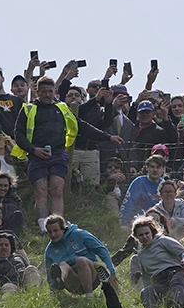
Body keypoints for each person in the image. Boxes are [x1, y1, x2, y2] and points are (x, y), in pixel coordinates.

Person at [13, 76, 122, 232]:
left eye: (50, 91)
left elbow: (81, 126)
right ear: (37, 92)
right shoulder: (28, 109)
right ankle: (43, 226)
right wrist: (33, 149)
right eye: (43, 92)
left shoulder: (62, 107)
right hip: (36, 155)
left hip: (57, 154)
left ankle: (58, 225)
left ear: (54, 92)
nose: (47, 95)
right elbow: (19, 134)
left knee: (57, 190)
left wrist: (107, 137)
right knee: (41, 190)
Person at [130, 216, 184, 308]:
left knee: (176, 282)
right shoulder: (141, 254)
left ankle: (177, 307)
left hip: (176, 273)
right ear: (136, 237)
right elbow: (146, 276)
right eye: (141, 235)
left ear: (152, 232)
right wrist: (142, 288)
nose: (145, 237)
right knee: (146, 292)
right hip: (159, 281)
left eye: (147, 233)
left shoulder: (163, 240)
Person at [44, 214, 116, 297]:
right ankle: (60, 281)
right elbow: (49, 273)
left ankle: (89, 296)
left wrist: (112, 272)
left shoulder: (79, 234)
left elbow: (102, 251)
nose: (53, 235)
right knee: (62, 265)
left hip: (91, 276)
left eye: (55, 230)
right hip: (73, 282)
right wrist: (52, 290)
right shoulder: (50, 250)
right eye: (49, 232)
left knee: (80, 260)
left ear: (63, 229)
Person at [119, 154, 165, 227]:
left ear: (163, 169)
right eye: (152, 167)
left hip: (160, 221)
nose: (155, 170)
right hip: (139, 221)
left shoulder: (165, 184)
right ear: (147, 168)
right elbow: (129, 204)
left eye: (158, 167)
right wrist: (124, 223)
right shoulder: (138, 182)